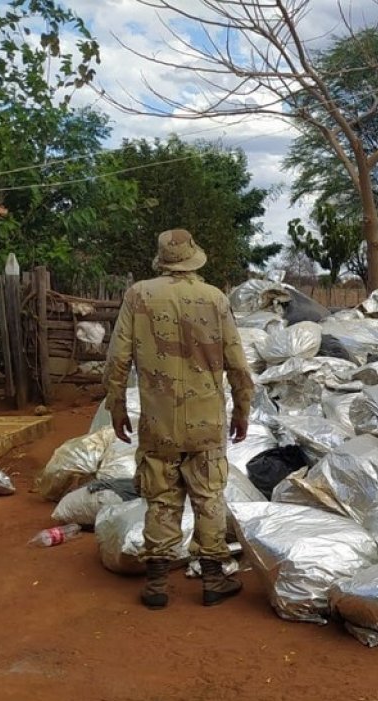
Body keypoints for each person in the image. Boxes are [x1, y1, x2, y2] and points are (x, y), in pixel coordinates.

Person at [104, 229, 253, 610]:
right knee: (208, 498)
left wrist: (117, 406)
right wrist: (242, 410)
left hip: (159, 421)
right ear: (192, 259)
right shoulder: (215, 299)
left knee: (162, 498)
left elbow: (118, 358)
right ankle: (213, 579)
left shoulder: (139, 295)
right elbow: (237, 362)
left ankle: (157, 584)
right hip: (206, 420)